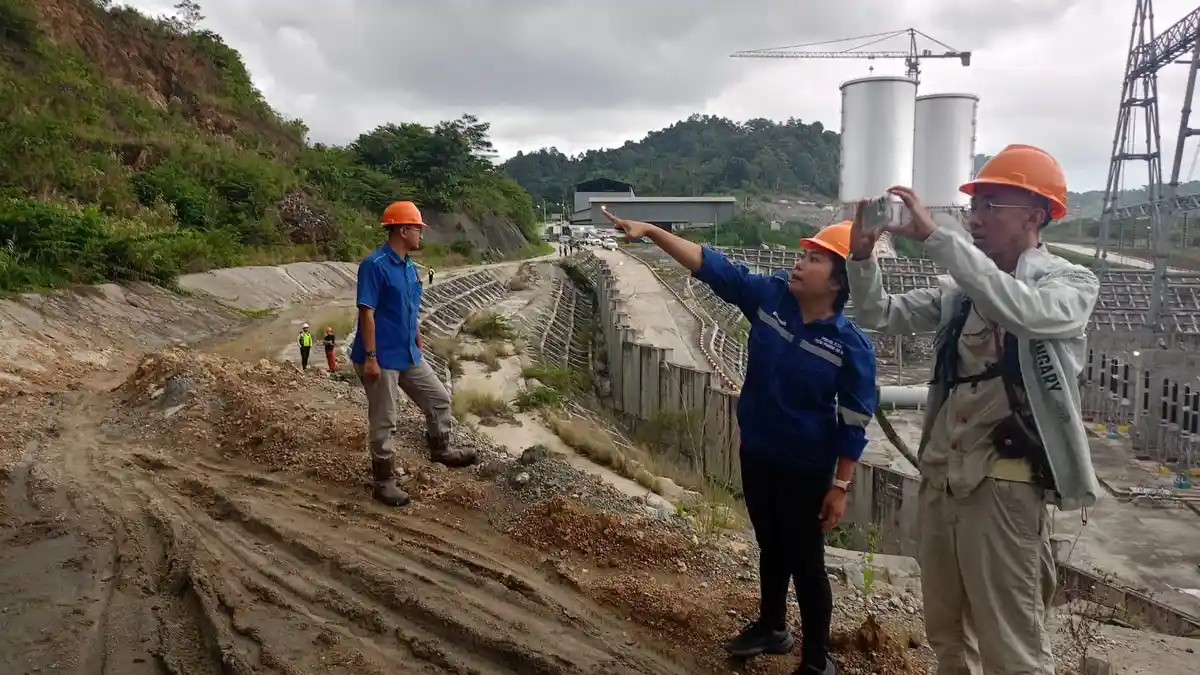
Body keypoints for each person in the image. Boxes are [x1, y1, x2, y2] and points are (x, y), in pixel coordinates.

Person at [844, 144, 1100, 675]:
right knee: (947, 634)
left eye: (991, 206)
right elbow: (877, 313)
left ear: (1035, 215)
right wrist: (863, 258)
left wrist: (942, 240)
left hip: (1004, 485)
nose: (976, 219)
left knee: (1011, 644)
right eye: (973, 207)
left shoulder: (1069, 283)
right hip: (942, 479)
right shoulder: (961, 288)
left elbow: (1023, 311)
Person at [600, 208, 877, 675]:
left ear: (838, 280)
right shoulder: (770, 300)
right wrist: (651, 230)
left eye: (814, 258)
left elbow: (854, 420)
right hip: (758, 452)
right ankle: (773, 628)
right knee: (770, 542)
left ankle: (816, 661)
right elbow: (713, 267)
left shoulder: (849, 346)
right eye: (803, 253)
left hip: (805, 467)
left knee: (806, 560)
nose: (799, 261)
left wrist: (841, 485)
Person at [351, 200, 477, 507]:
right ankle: (383, 481)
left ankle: (441, 449)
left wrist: (416, 334)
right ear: (402, 229)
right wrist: (370, 357)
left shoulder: (409, 266)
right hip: (380, 356)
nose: (421, 234)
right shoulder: (374, 265)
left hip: (407, 352)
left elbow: (409, 307)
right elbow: (366, 313)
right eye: (417, 228)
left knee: (439, 399)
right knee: (385, 419)